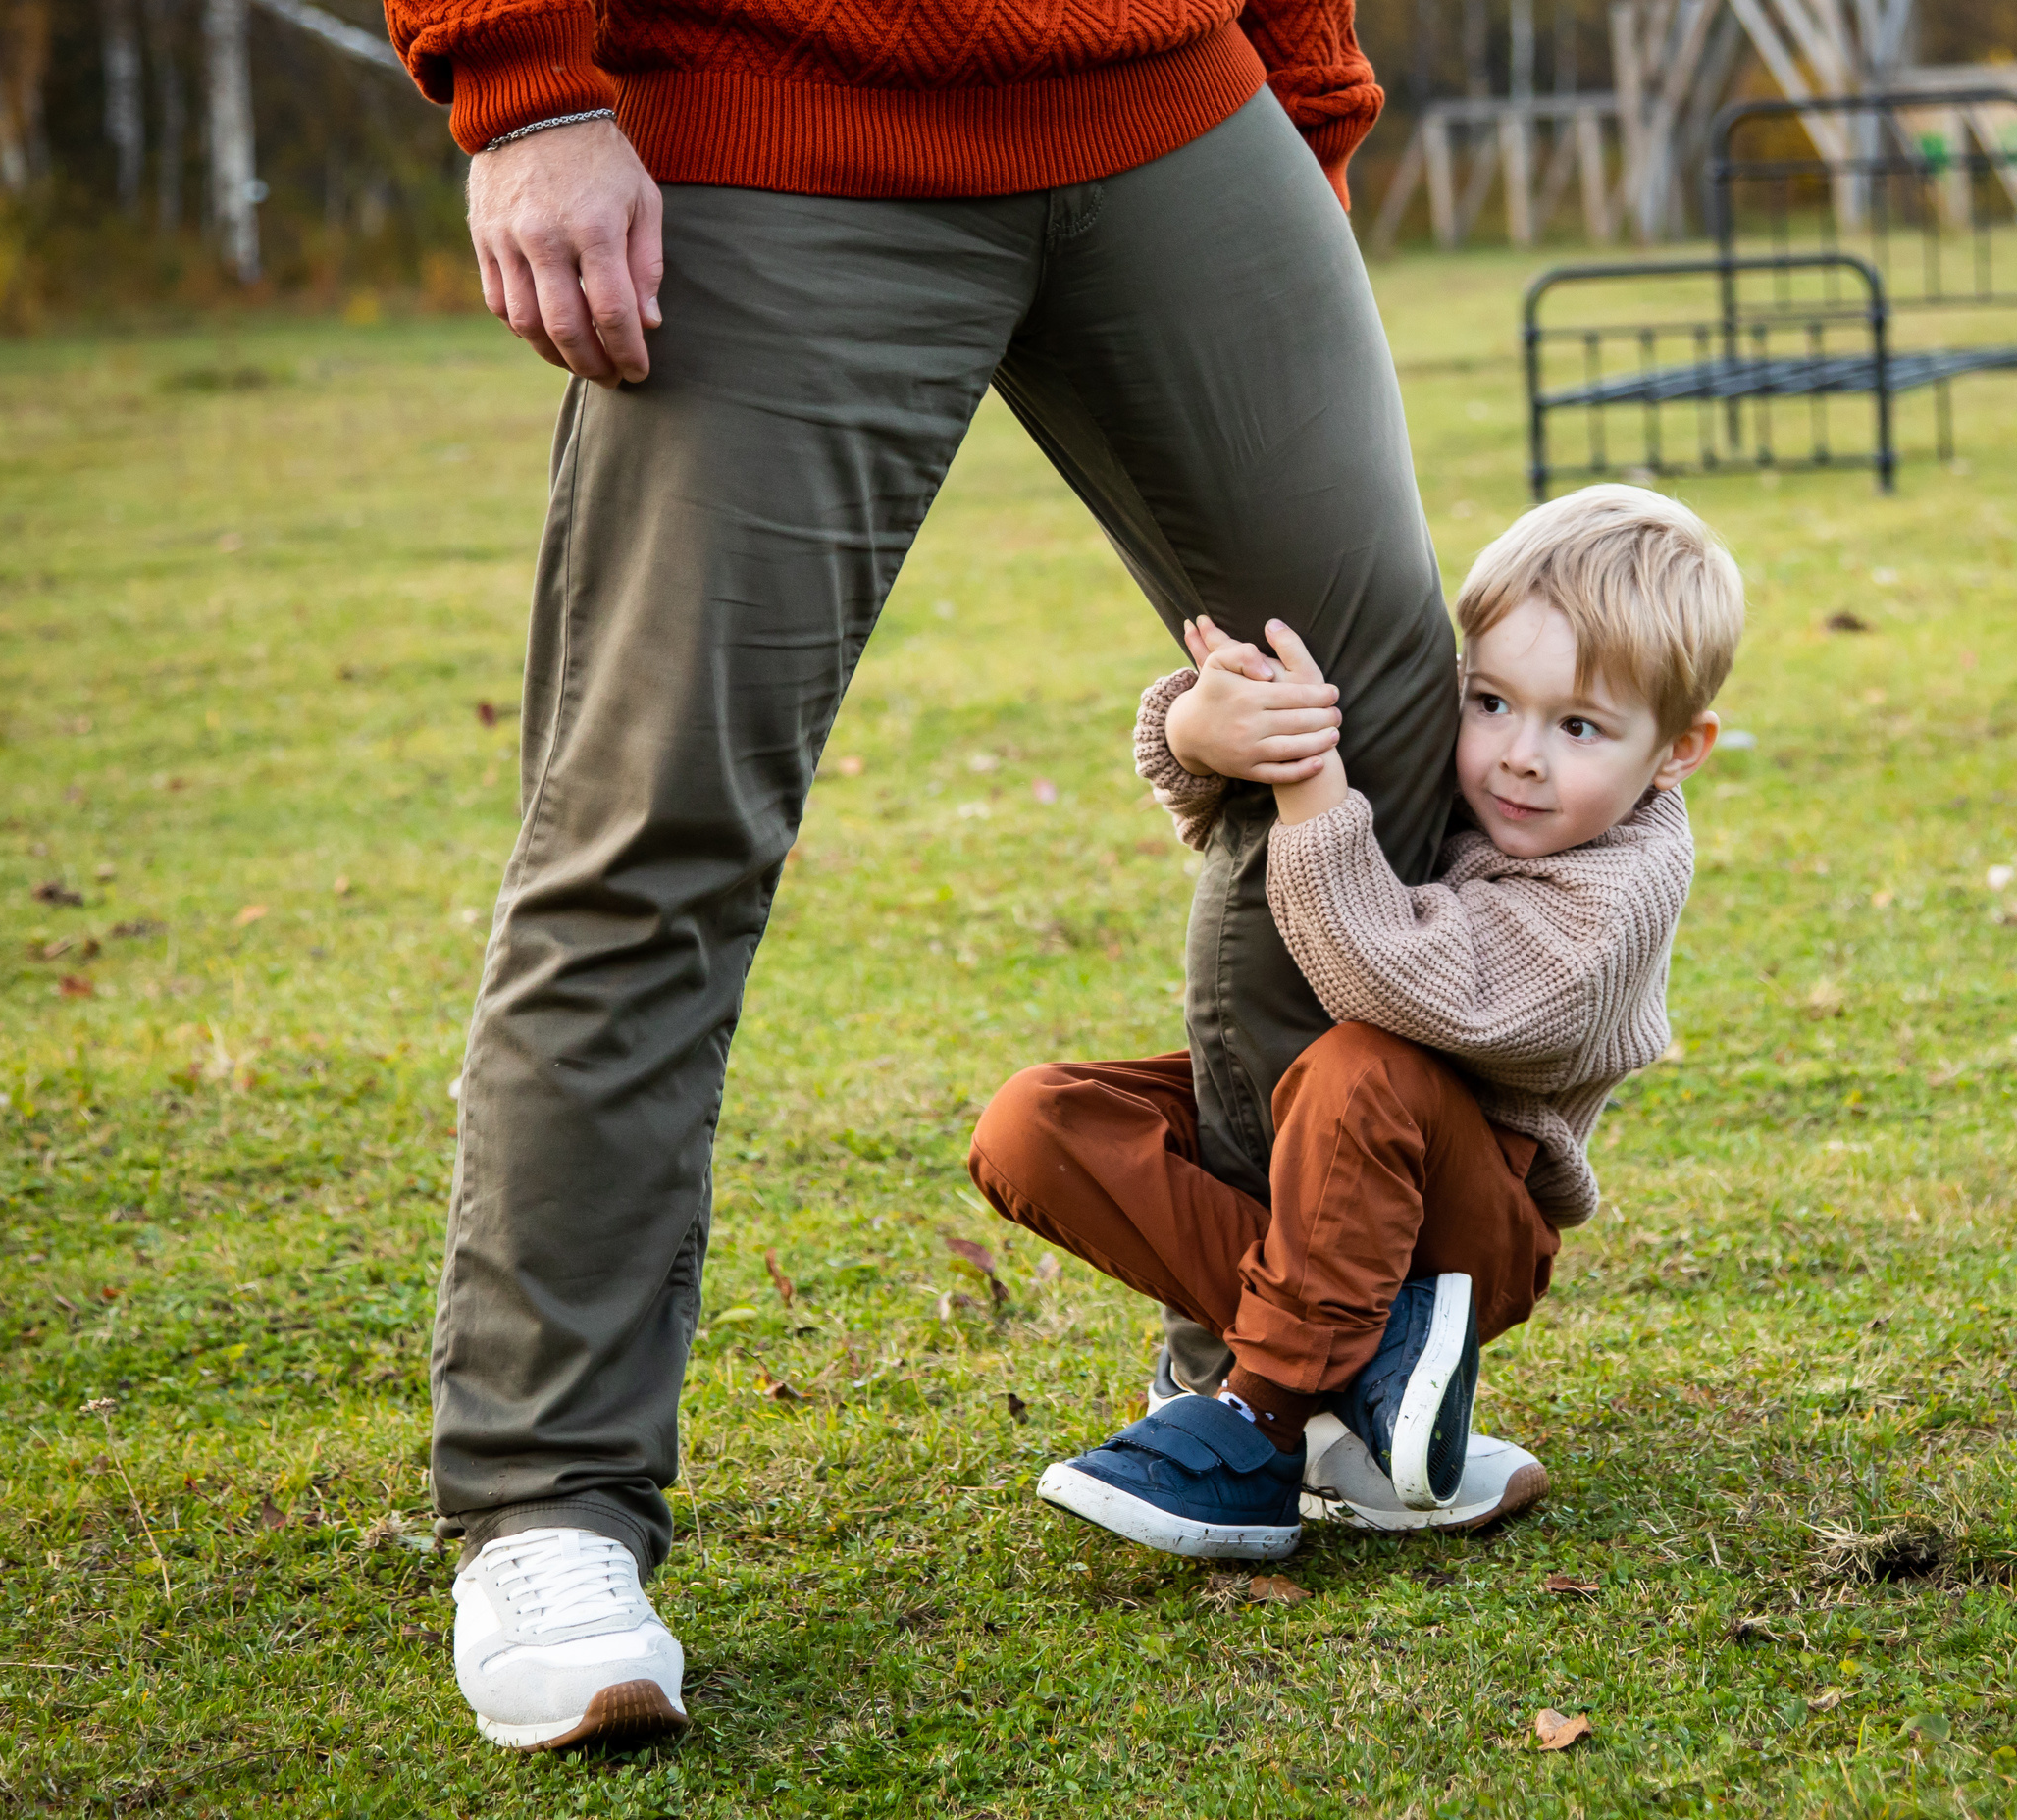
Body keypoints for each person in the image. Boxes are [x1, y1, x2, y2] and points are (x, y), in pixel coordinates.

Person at [385, 0, 1460, 1753]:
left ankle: (1282, 1367)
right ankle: (551, 1507)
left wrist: (1307, 89)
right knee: (657, 823)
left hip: (1173, 99)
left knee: (1374, 712)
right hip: (773, 106)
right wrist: (521, 93)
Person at [969, 485, 1744, 1558]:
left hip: (1473, 1225)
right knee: (1034, 1123)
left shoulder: (1617, 892)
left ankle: (1262, 1422)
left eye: (1578, 726)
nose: (1519, 754)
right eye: (1491, 702)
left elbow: (1397, 982)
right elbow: (1220, 826)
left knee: (1364, 1063)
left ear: (1676, 750)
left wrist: (1314, 789)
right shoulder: (1484, 775)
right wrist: (1203, 734)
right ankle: (1379, 1373)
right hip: (1322, 1180)